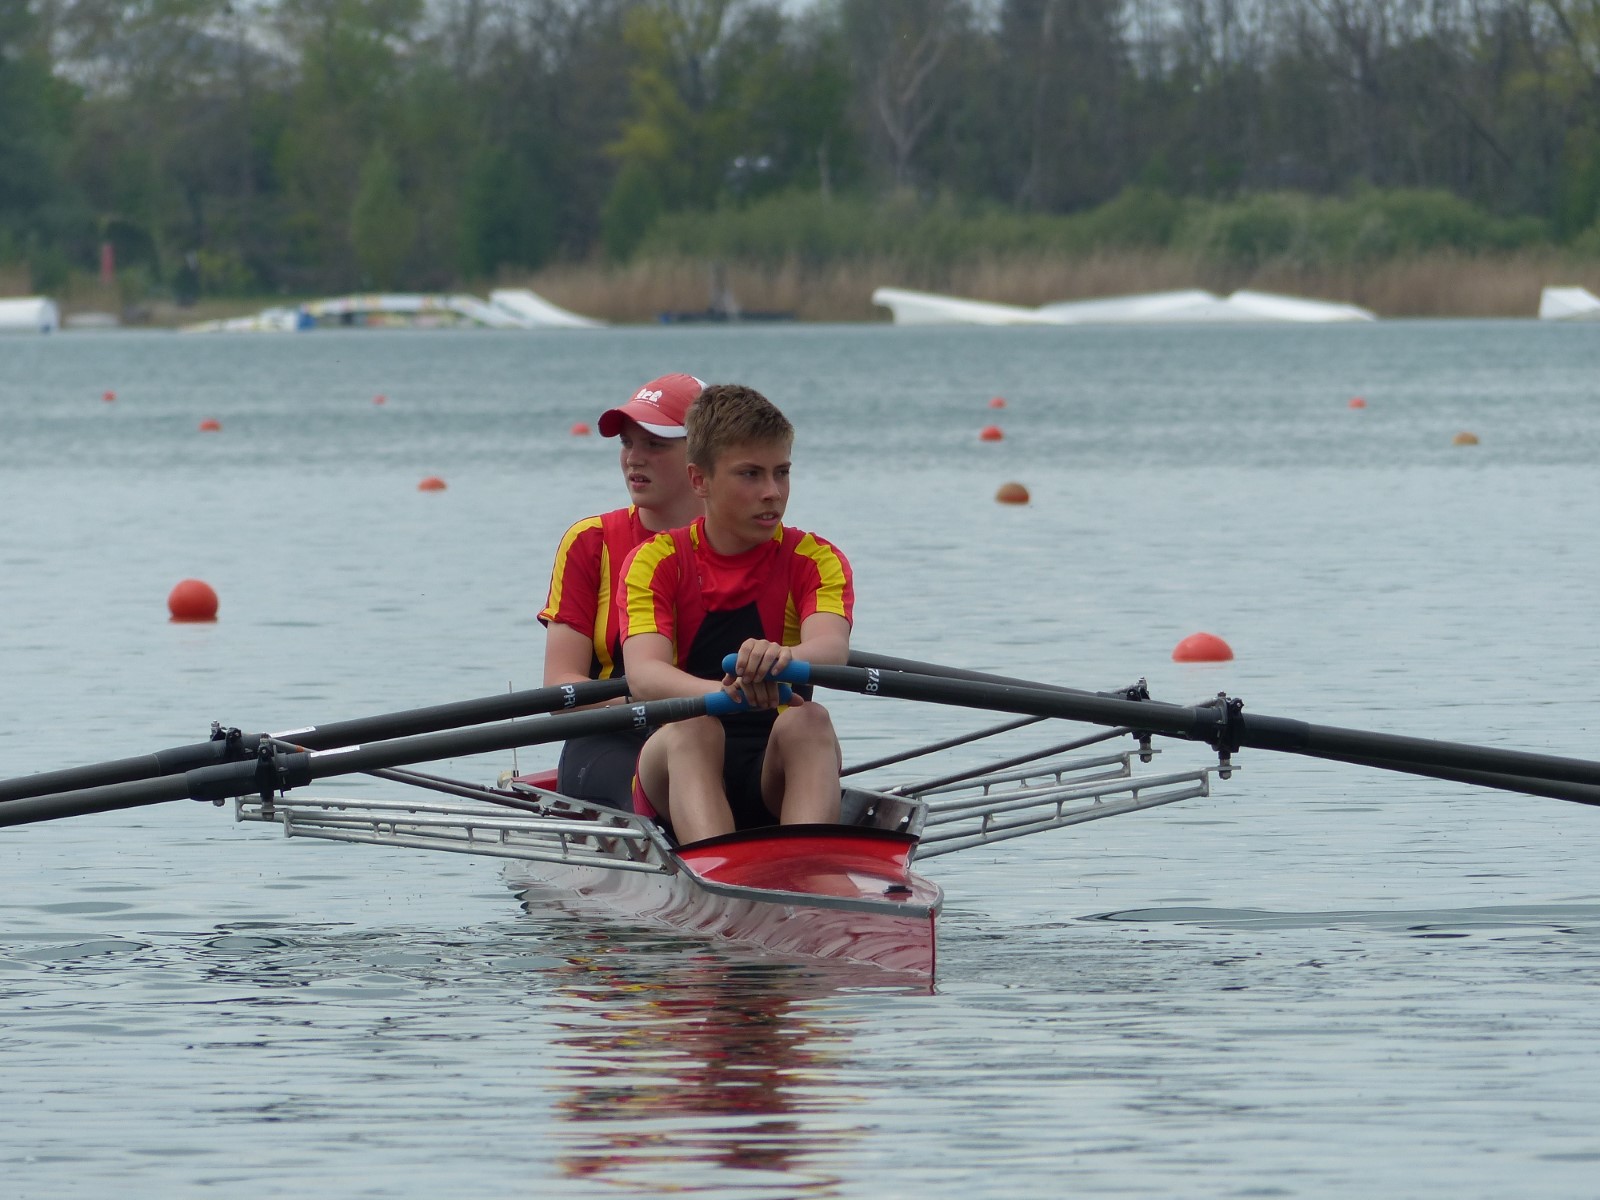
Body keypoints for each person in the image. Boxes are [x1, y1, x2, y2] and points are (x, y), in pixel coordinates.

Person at [618, 383, 852, 844]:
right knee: (695, 725)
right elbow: (643, 676)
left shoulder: (816, 558)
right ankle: (719, 867)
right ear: (699, 481)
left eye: (781, 473)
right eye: (750, 475)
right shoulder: (656, 561)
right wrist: (725, 694)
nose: (772, 493)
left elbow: (831, 649)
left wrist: (780, 657)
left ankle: (808, 865)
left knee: (810, 719)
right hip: (676, 763)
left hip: (773, 769)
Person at [538, 373, 705, 806]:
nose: (634, 458)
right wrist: (646, 696)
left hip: (719, 731)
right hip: (614, 737)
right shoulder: (591, 542)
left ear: (704, 454)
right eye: (627, 443)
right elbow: (559, 688)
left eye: (655, 444)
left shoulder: (748, 543)